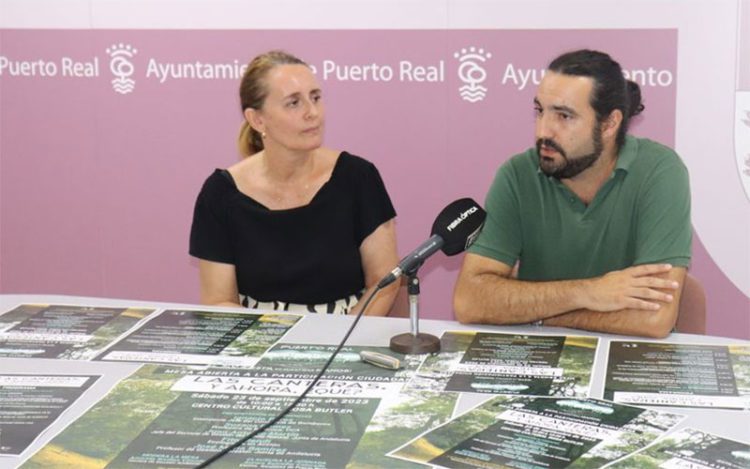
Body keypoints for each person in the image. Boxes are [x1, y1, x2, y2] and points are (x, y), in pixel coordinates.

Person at [453, 49, 691, 338]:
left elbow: (654, 318)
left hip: (630, 365)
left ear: (609, 124)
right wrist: (589, 293)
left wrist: (537, 314)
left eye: (564, 116)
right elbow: (470, 302)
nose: (544, 131)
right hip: (538, 363)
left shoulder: (660, 171)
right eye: (540, 111)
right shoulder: (517, 174)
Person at [190, 50, 399, 315]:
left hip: (347, 332)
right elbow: (218, 301)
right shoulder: (221, 194)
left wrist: (341, 342)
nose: (312, 113)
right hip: (257, 335)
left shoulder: (358, 177)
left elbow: (384, 283)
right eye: (293, 103)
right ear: (257, 119)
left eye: (316, 98)